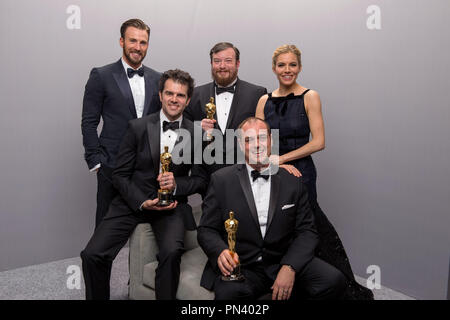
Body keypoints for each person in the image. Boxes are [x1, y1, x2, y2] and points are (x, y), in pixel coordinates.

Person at [255, 44, 374, 299]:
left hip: (301, 172)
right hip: (273, 171)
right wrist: (273, 163)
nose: (287, 70)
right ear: (274, 68)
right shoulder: (264, 100)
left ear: (299, 67)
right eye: (282, 65)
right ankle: (294, 283)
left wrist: (282, 159)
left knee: (309, 226)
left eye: (292, 65)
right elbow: (257, 140)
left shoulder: (310, 96)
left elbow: (319, 142)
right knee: (281, 227)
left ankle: (342, 287)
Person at [80, 69, 207, 300]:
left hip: (171, 208)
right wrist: (141, 201)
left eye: (180, 95)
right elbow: (119, 175)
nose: (174, 99)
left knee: (171, 253)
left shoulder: (196, 133)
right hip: (132, 201)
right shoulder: (137, 127)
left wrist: (176, 184)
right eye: (169, 93)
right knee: (92, 254)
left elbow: (200, 179)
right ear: (160, 95)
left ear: (188, 100)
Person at [197, 117, 347, 300]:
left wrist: (290, 267)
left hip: (282, 259)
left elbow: (307, 231)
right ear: (240, 144)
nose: (256, 145)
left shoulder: (293, 180)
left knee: (333, 280)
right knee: (229, 296)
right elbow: (206, 229)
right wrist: (220, 250)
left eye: (261, 137)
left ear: (271, 140)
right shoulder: (221, 180)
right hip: (243, 266)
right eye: (248, 139)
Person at [81, 19, 161, 228]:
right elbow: (89, 121)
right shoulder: (101, 75)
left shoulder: (158, 78)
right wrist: (96, 162)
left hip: (146, 169)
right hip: (111, 165)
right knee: (105, 232)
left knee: (147, 231)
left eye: (143, 42)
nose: (137, 47)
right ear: (121, 41)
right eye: (132, 40)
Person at [184, 42, 267, 174]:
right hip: (206, 176)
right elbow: (183, 129)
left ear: (237, 64)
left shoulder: (257, 94)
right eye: (217, 61)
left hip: (245, 173)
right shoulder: (195, 94)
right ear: (211, 64)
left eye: (228, 61)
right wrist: (198, 127)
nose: (222, 66)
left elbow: (265, 135)